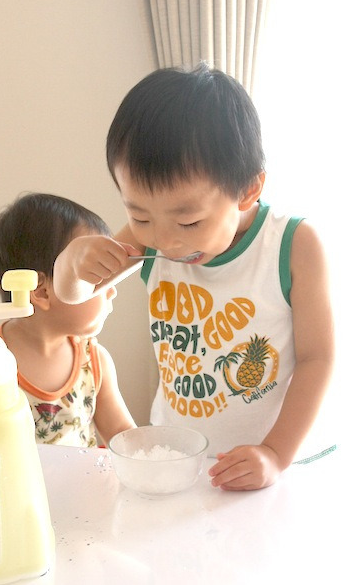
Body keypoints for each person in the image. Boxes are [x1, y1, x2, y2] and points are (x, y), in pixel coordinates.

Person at [53, 64, 334, 490]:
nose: (166, 243)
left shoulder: (293, 245)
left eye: (188, 222)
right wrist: (70, 264)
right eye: (139, 215)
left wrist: (276, 453)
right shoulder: (149, 241)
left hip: (275, 464)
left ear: (247, 189)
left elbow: (319, 358)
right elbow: (75, 299)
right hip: (182, 459)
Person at [0, 192, 136, 447]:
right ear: (41, 291)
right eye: (96, 278)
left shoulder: (94, 361)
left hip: (84, 486)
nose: (111, 289)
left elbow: (122, 434)